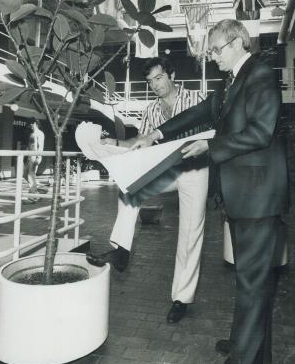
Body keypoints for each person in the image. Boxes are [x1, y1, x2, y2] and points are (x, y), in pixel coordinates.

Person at [132, 20, 289, 364]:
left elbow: (261, 132)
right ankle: (251, 346)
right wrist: (156, 133)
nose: (211, 56)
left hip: (259, 196)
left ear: (236, 43)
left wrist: (211, 146)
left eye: (215, 49)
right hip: (245, 194)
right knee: (253, 280)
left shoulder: (260, 74)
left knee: (250, 283)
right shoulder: (232, 79)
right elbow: (201, 111)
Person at [87, 57, 210, 323]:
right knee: (130, 189)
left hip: (196, 168)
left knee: (191, 233)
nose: (155, 85)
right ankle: (121, 251)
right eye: (150, 81)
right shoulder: (151, 109)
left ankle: (181, 299)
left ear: (172, 75)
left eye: (159, 78)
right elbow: (141, 143)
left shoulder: (196, 98)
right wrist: (115, 142)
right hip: (168, 169)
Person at [25, 119, 45, 194]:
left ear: (36, 123)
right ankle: (37, 187)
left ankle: (33, 193)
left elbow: (40, 146)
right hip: (30, 156)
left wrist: (38, 157)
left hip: (35, 156)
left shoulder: (40, 133)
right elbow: (29, 145)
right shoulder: (31, 134)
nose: (30, 125)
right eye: (29, 124)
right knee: (25, 173)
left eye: (31, 123)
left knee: (31, 175)